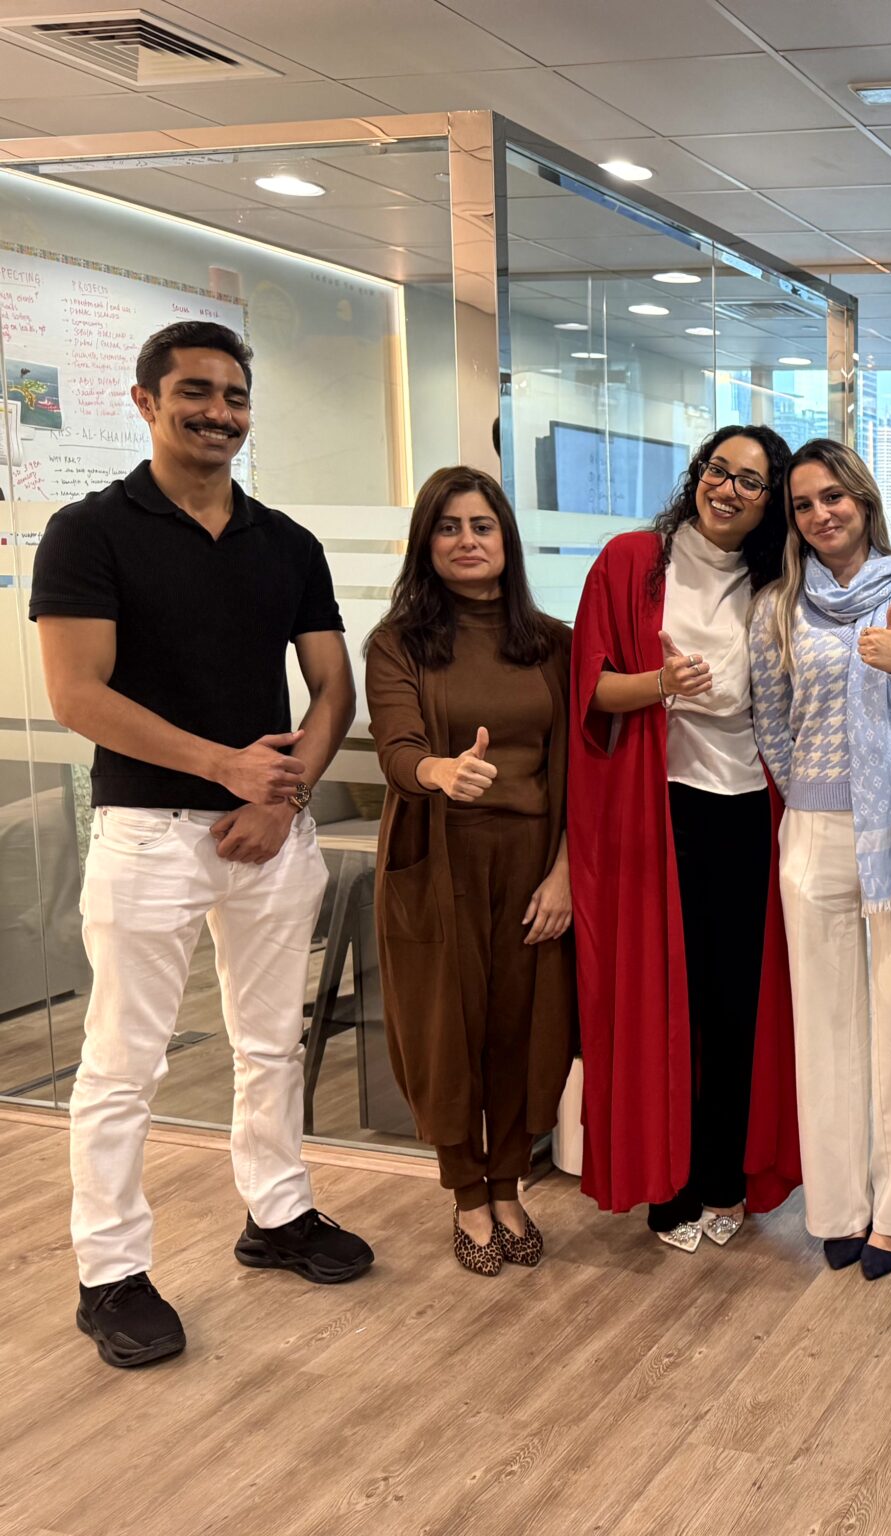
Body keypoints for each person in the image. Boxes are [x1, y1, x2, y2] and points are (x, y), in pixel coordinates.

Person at [31, 320, 373, 1369]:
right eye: (195, 392)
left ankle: (278, 1213)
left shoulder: (287, 542)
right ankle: (110, 1272)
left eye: (234, 396)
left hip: (271, 832)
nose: (219, 413)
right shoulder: (89, 531)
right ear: (145, 401)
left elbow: (332, 685)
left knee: (271, 1044)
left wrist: (282, 795)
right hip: (148, 834)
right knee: (122, 1064)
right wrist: (227, 766)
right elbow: (78, 694)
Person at [568, 426, 804, 1243]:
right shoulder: (632, 562)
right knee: (669, 1003)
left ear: (770, 504)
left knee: (740, 1004)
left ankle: (723, 1176)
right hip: (660, 806)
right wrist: (661, 684)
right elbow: (590, 689)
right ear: (697, 474)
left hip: (752, 809)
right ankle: (667, 1184)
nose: (727, 489)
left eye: (750, 481)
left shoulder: (778, 584)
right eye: (718, 470)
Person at [750, 438, 891, 1282]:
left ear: (865, 500)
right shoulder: (777, 606)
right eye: (803, 504)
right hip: (815, 830)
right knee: (826, 1025)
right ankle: (838, 1208)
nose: (821, 514)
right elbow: (772, 723)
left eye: (834, 496)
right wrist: (817, 789)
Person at [365, 466, 573, 1276]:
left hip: (532, 861)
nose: (466, 541)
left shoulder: (551, 643)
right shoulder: (398, 643)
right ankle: (466, 1193)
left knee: (523, 1026)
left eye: (481, 526)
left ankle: (510, 1184)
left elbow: (579, 772)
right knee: (445, 1029)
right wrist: (439, 772)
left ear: (505, 539)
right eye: (448, 527)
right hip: (437, 859)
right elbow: (396, 746)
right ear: (426, 544)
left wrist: (566, 873)